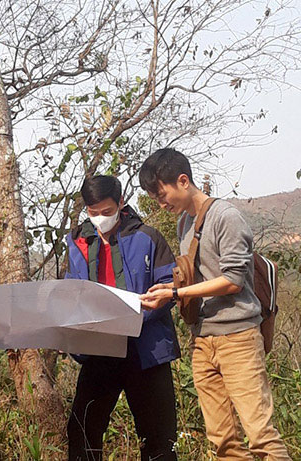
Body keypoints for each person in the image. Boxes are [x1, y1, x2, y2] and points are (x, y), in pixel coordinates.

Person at [139, 148, 290, 460]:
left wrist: (176, 294)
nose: (160, 202)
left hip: (238, 340)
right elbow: (200, 281)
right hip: (203, 341)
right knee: (223, 443)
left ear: (183, 181)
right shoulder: (184, 224)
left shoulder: (226, 217)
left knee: (261, 437)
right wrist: (169, 288)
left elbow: (233, 279)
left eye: (161, 194)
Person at [65, 175, 180, 461]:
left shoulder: (148, 237)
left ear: (121, 203)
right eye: (93, 213)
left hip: (146, 350)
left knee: (158, 438)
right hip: (99, 350)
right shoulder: (76, 241)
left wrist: (140, 314)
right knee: (81, 430)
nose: (100, 219)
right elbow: (69, 291)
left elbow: (169, 288)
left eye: (107, 212)